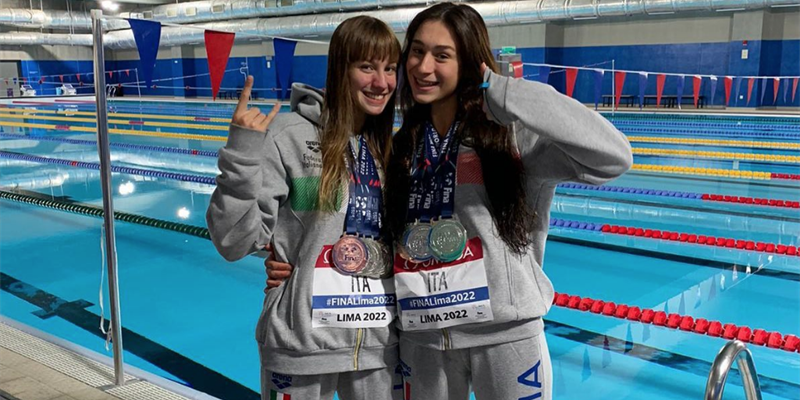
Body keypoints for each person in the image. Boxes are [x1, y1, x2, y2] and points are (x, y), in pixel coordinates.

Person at [267, 3, 632, 399]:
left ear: (471, 63)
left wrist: (507, 91)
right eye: (417, 53)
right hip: (421, 342)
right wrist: (290, 261)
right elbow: (353, 220)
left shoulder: (510, 139)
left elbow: (613, 156)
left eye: (442, 56)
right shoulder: (400, 147)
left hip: (504, 336)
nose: (424, 68)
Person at [207, 16, 402, 400]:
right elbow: (233, 241)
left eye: (390, 69)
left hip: (379, 347)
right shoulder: (289, 137)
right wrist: (242, 152)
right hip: (302, 344)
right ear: (340, 69)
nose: (382, 82)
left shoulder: (388, 150)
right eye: (367, 67)